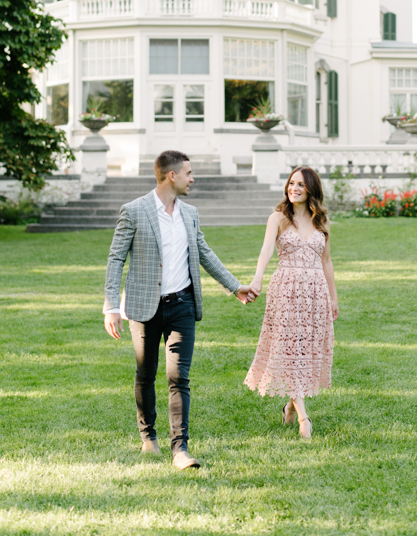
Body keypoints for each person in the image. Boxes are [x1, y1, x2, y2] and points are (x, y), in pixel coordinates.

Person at [103, 150, 258, 469]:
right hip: (144, 307)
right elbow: (116, 258)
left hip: (182, 305)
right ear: (171, 176)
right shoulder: (134, 211)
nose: (193, 178)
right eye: (188, 173)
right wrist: (110, 307)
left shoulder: (190, 213)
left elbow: (203, 250)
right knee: (146, 373)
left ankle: (180, 450)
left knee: (178, 377)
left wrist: (234, 285)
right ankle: (148, 437)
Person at [244, 166, 338, 439]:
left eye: (300, 184)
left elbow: (327, 261)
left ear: (311, 189)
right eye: (291, 183)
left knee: (304, 350)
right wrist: (257, 279)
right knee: (288, 349)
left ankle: (290, 405)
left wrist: (333, 297)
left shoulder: (322, 221)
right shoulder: (278, 218)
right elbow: (265, 250)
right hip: (286, 289)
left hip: (315, 292)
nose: (294, 188)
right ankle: (304, 417)